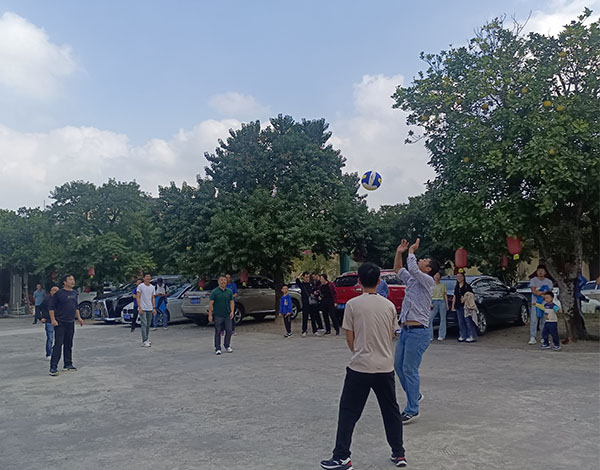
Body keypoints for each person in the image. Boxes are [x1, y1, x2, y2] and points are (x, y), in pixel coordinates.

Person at [320, 263, 406, 470]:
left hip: (360, 366)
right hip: (384, 366)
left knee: (348, 412)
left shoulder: (352, 304)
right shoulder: (388, 306)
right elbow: (391, 334)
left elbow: (349, 337)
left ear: (359, 281)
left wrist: (359, 351)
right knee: (391, 410)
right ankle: (399, 453)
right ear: (379, 281)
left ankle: (342, 456)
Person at [393, 238, 439, 423]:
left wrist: (411, 251)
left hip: (419, 332)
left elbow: (412, 268)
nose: (420, 260)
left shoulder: (427, 280)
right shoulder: (413, 279)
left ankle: (412, 409)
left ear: (428, 269)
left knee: (410, 369)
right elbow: (398, 269)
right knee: (399, 366)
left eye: (424, 260)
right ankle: (415, 395)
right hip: (406, 330)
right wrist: (399, 252)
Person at [48, 275, 84, 376]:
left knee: (69, 344)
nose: (72, 282)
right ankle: (53, 367)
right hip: (60, 322)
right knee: (58, 344)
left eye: (73, 279)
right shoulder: (59, 293)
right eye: (70, 280)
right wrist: (53, 320)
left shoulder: (74, 293)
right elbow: (51, 307)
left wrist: (79, 318)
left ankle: (68, 364)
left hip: (70, 322)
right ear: (64, 282)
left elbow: (76, 307)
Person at [209, 275, 235, 355]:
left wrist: (232, 311)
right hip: (218, 315)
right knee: (218, 331)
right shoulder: (214, 292)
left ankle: (227, 345)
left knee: (229, 330)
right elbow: (211, 304)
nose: (223, 281)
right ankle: (217, 348)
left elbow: (231, 302)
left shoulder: (229, 291)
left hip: (227, 314)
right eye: (221, 280)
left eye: (224, 280)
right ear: (218, 282)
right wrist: (210, 315)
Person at [529, 265, 553, 345]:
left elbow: (549, 293)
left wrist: (540, 293)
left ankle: (544, 337)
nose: (540, 272)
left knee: (544, 321)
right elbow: (533, 291)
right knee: (534, 320)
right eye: (539, 270)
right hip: (535, 304)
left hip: (545, 304)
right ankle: (532, 337)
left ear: (545, 272)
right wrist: (543, 293)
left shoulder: (549, 282)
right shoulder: (533, 280)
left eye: (542, 270)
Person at [296, 272, 323, 336]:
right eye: (306, 277)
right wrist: (300, 275)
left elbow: (315, 291)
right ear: (303, 277)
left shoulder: (311, 284)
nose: (307, 278)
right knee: (305, 317)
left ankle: (315, 331)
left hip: (312, 302)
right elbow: (297, 280)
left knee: (313, 317)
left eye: (308, 277)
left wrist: (315, 293)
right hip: (305, 302)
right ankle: (304, 330)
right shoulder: (302, 285)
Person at [451, 271, 474, 342]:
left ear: (463, 277)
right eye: (457, 277)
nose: (459, 278)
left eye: (460, 276)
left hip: (466, 306)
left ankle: (471, 335)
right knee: (460, 321)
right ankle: (462, 335)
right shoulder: (456, 286)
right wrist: (453, 305)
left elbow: (471, 295)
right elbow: (455, 296)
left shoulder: (467, 286)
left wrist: (465, 298)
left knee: (467, 320)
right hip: (458, 305)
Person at [136, 273, 156, 347]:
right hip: (143, 308)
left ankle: (147, 338)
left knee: (148, 324)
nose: (148, 278)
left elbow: (153, 298)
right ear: (144, 278)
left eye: (149, 277)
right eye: (147, 277)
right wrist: (139, 307)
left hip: (149, 308)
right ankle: (144, 340)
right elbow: (138, 297)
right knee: (144, 323)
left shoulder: (152, 287)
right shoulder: (140, 286)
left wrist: (154, 308)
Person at [41, 286, 59, 359]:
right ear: (51, 292)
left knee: (59, 339)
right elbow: (41, 308)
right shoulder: (47, 300)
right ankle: (48, 353)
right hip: (49, 321)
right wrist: (42, 317)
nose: (56, 292)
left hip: (59, 320)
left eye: (57, 291)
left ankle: (54, 351)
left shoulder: (60, 300)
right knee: (50, 338)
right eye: (54, 290)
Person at [429, 272, 448, 341]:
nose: (437, 276)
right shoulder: (431, 285)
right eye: (436, 275)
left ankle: (441, 335)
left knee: (443, 319)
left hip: (441, 301)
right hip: (433, 302)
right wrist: (429, 303)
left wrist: (447, 304)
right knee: (430, 319)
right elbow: (428, 294)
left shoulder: (443, 285)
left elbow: (445, 295)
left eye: (438, 275)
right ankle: (430, 335)